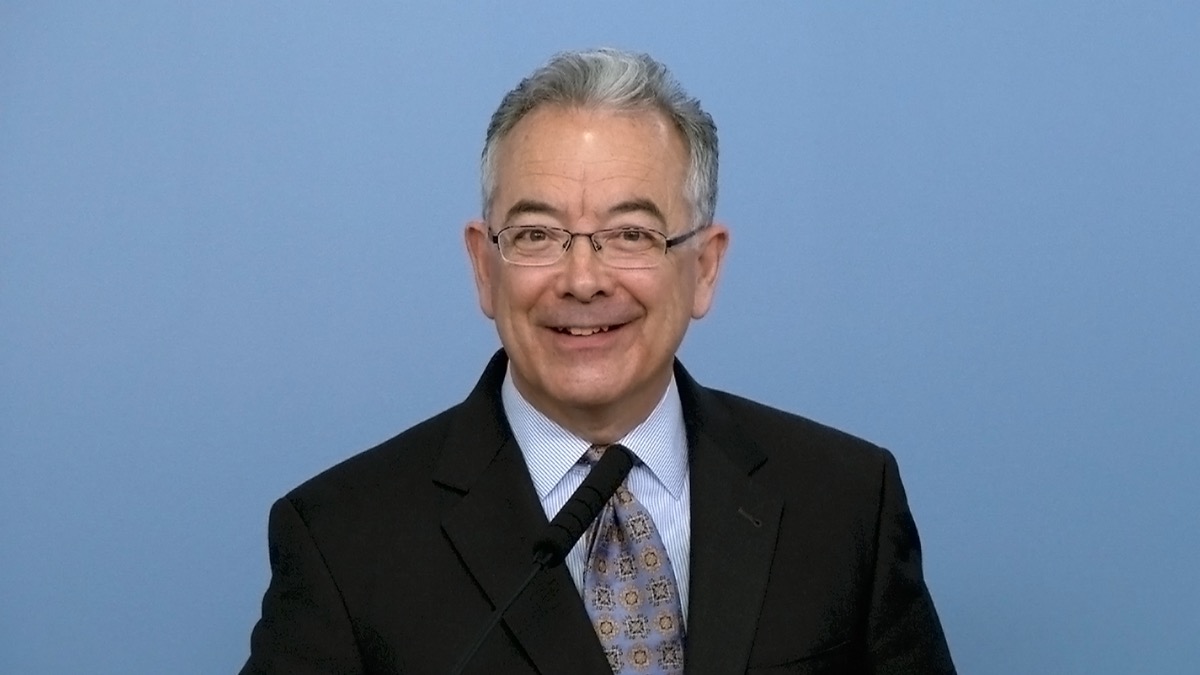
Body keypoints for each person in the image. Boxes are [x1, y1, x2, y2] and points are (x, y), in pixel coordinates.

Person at [241, 48, 955, 675]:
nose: (583, 280)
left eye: (632, 234)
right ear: (484, 267)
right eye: (536, 234)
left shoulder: (845, 504)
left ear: (704, 267)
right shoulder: (342, 540)